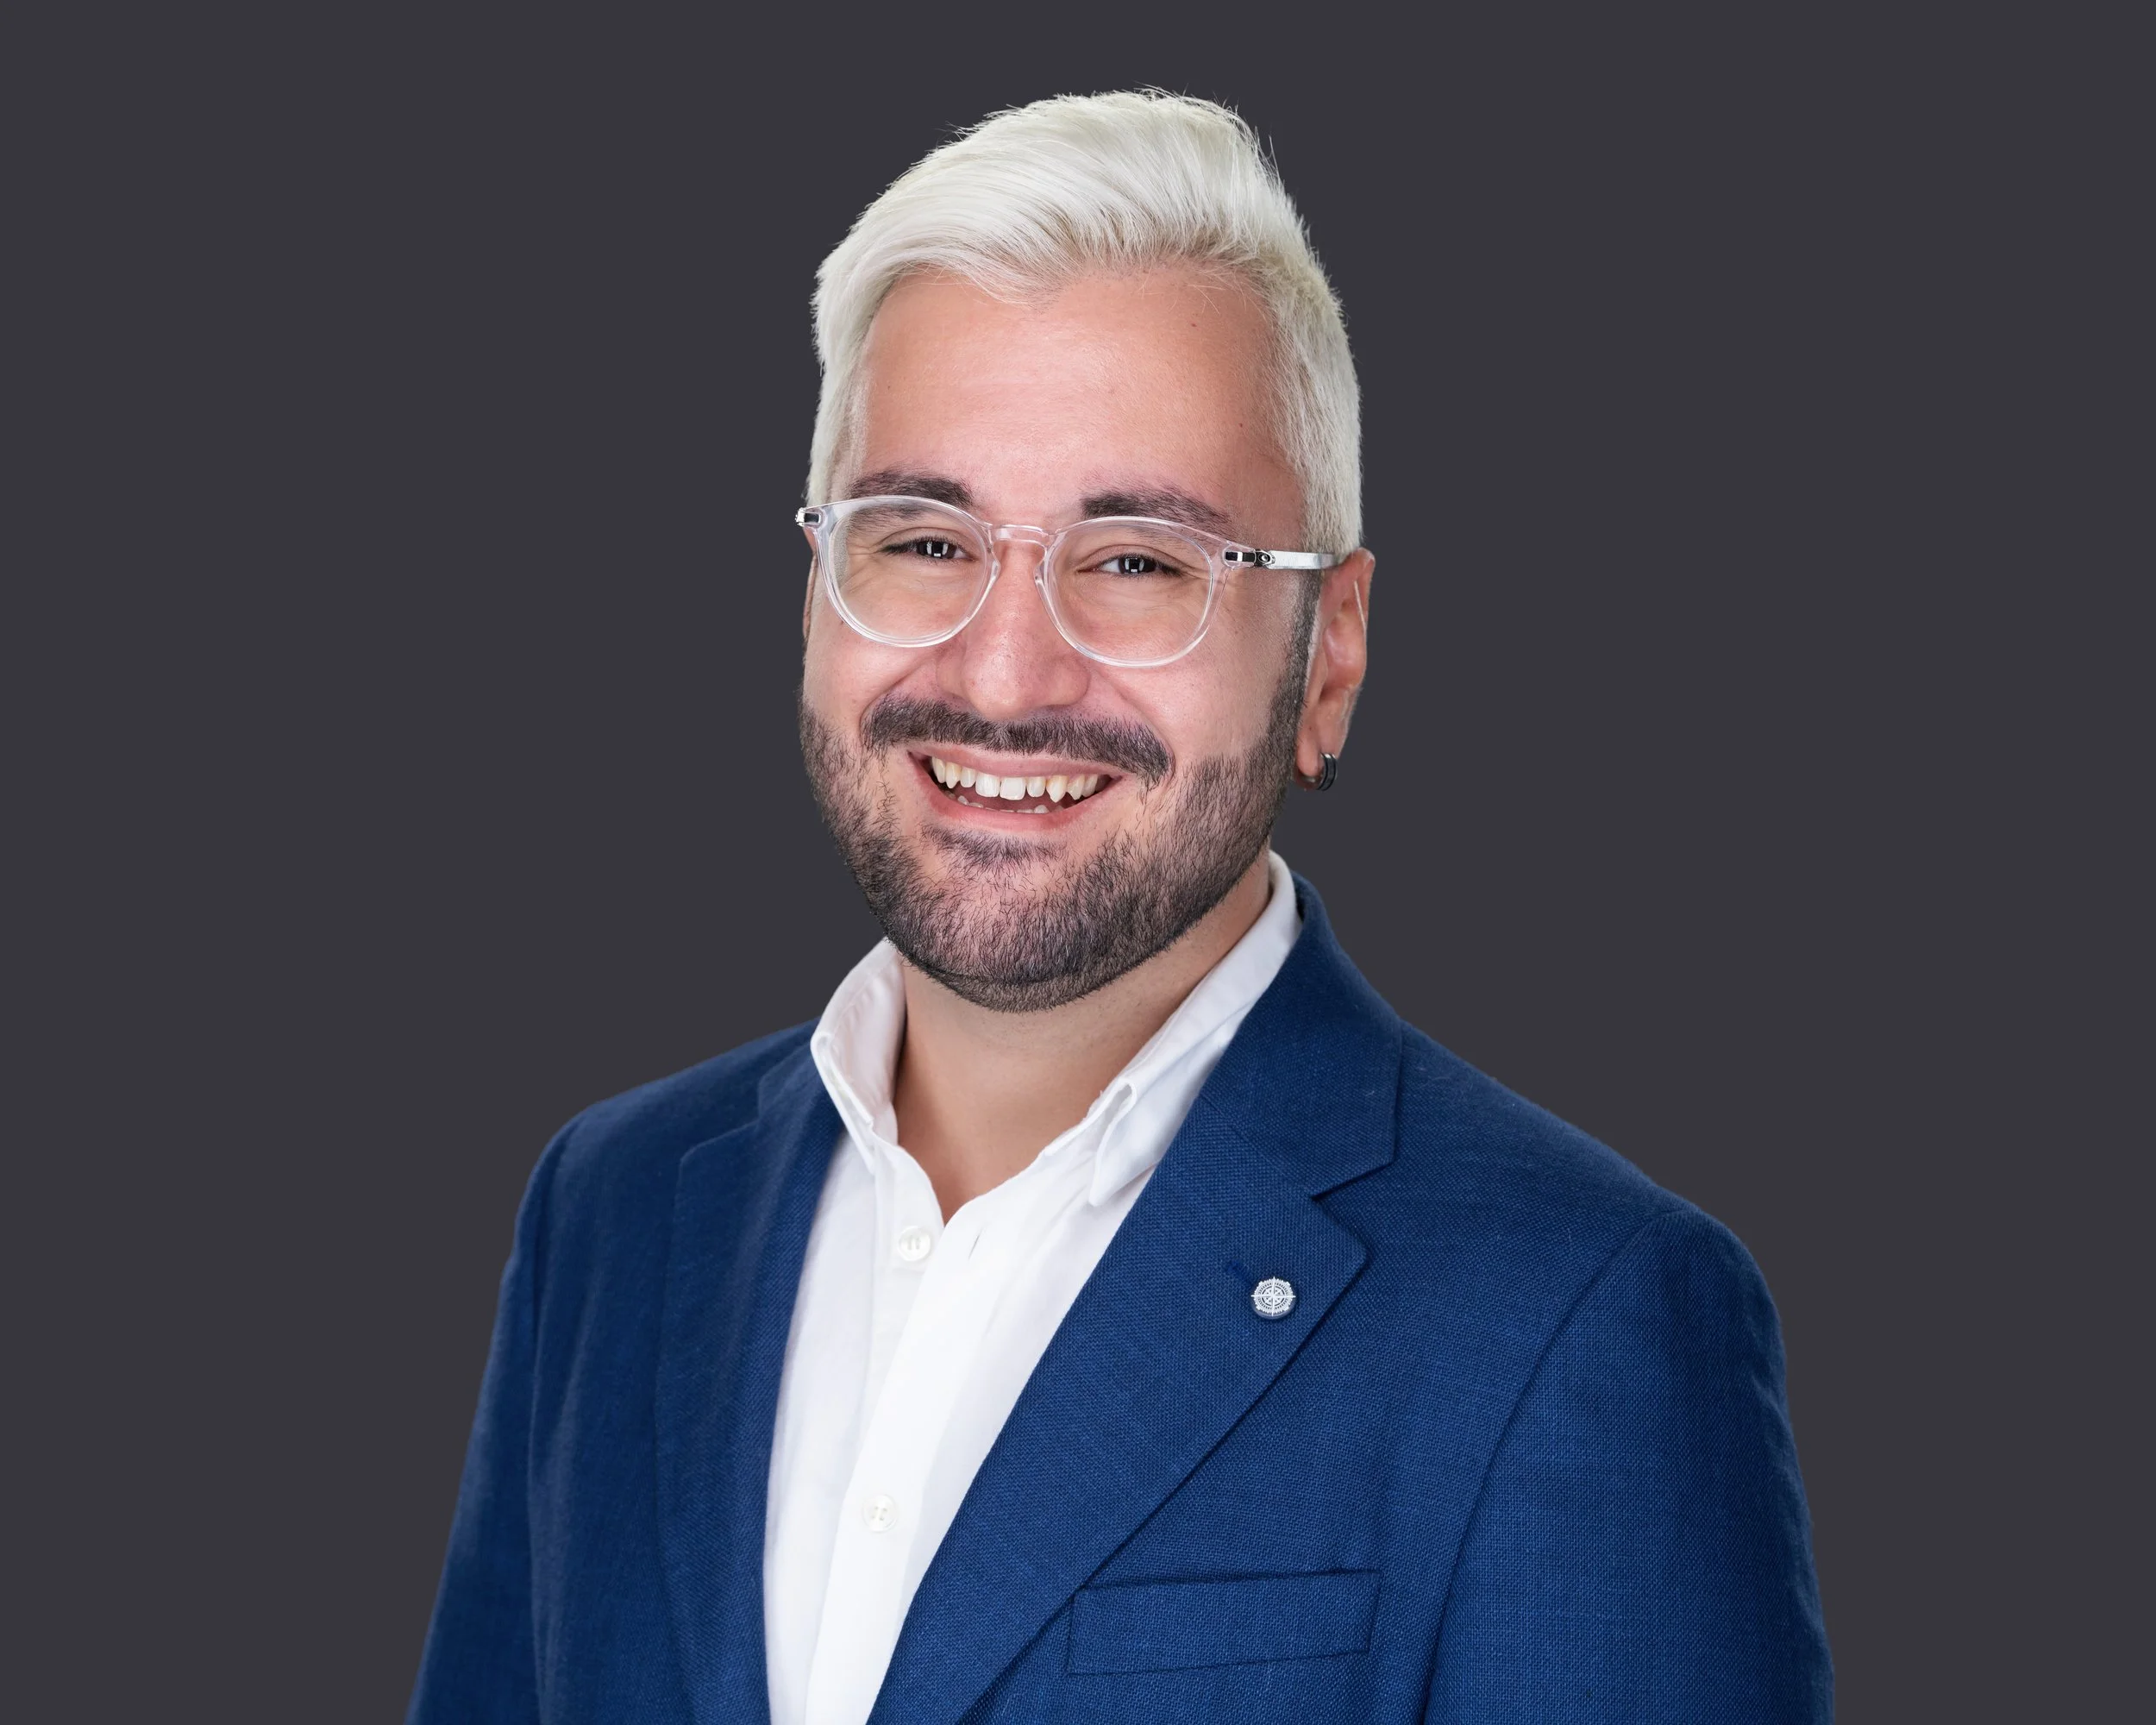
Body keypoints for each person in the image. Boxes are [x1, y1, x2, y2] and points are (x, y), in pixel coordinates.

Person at [407, 91, 1831, 1723]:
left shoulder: (1581, 1324)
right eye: (926, 538)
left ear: (1332, 652)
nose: (1004, 673)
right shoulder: (616, 1214)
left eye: (1142, 560)